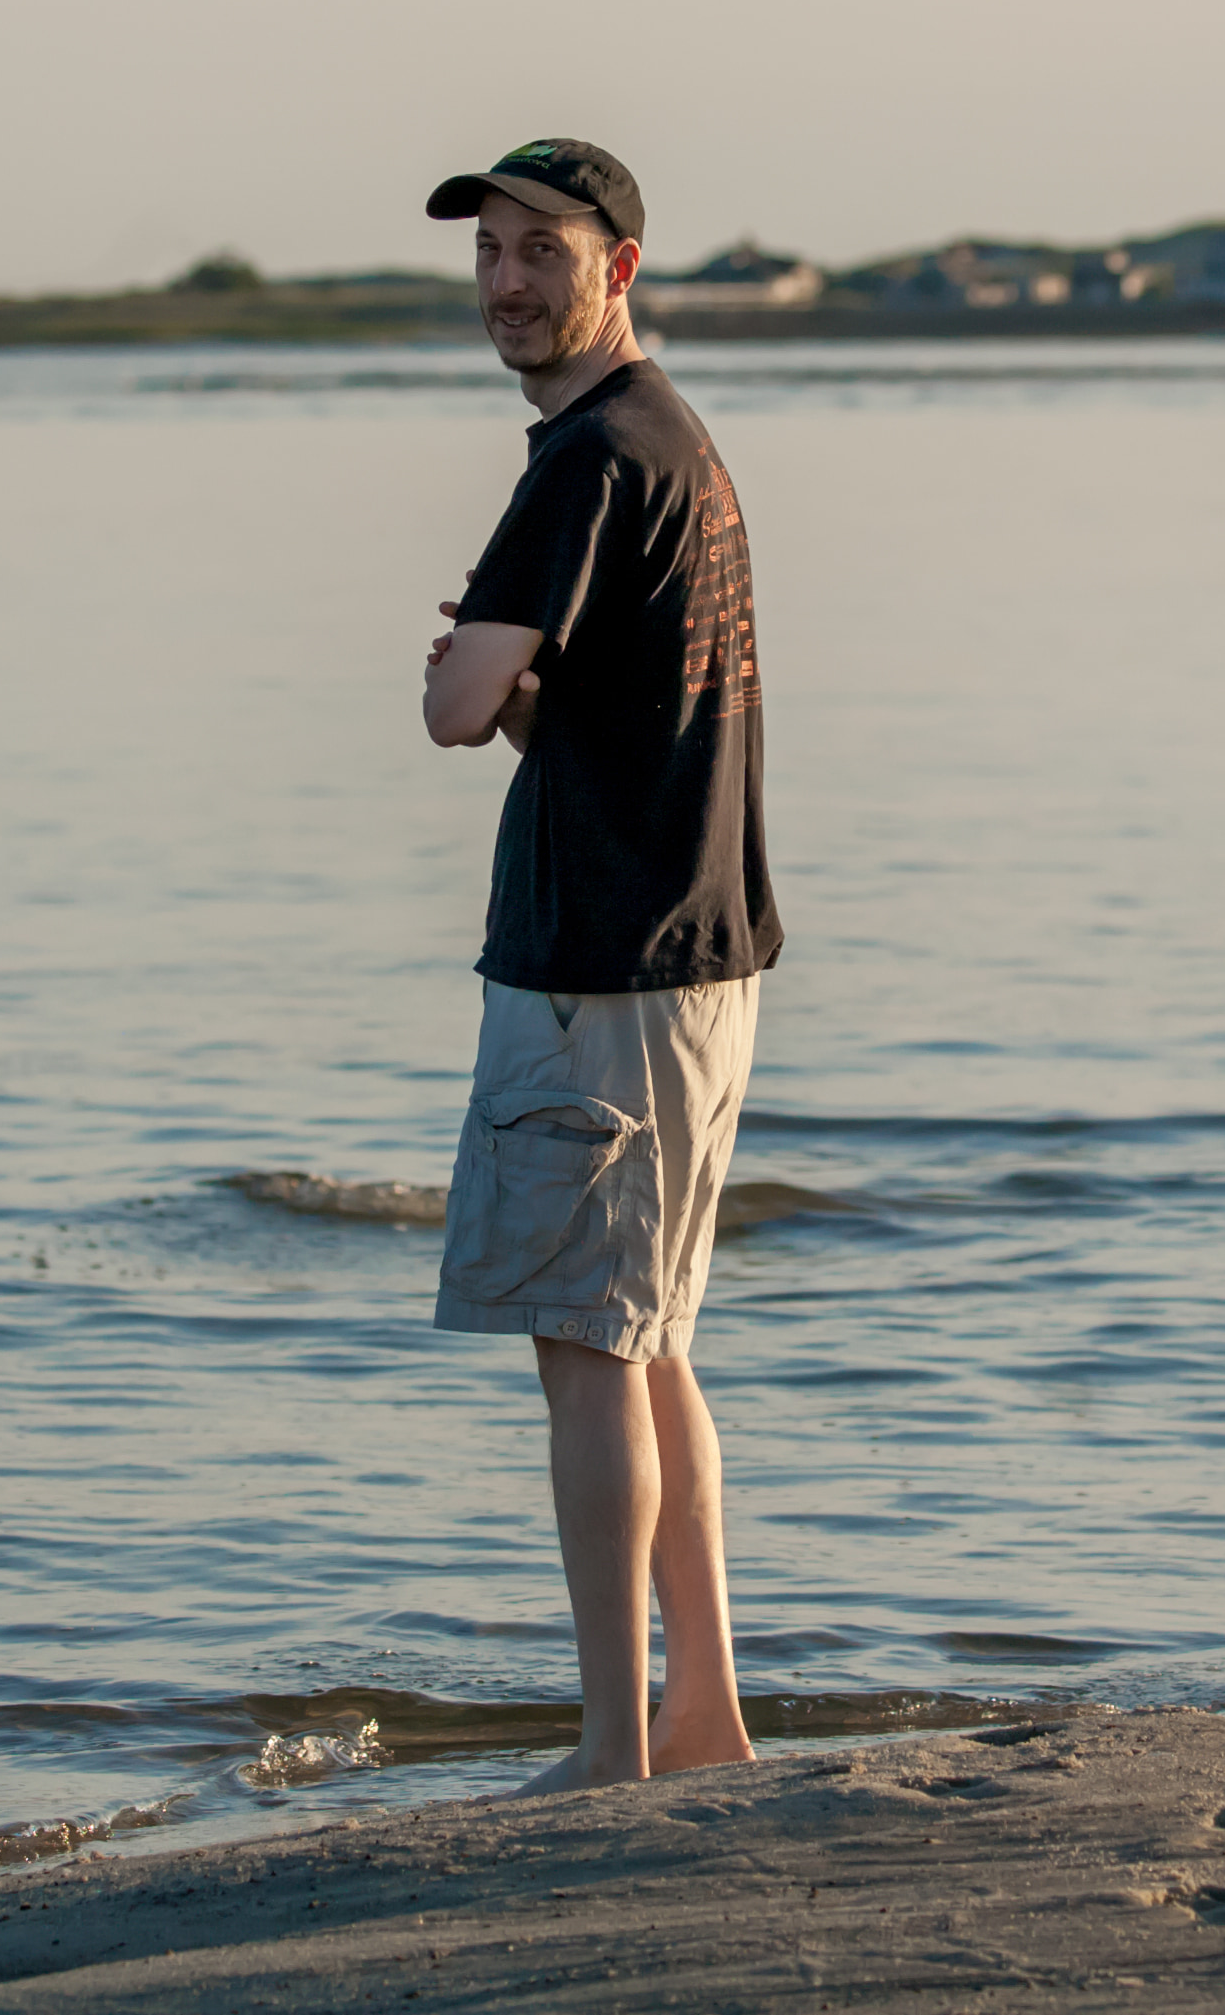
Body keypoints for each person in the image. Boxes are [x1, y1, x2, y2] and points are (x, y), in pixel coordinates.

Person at [416, 138, 782, 1795]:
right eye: (488, 251)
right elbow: (613, 703)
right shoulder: (675, 443)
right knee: (650, 1342)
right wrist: (524, 681)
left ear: (619, 266)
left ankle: (608, 1743)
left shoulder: (587, 456)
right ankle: (699, 1714)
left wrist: (476, 661)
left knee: (583, 1351)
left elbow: (448, 700)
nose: (505, 281)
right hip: (695, 952)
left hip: (604, 965)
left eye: (540, 250)